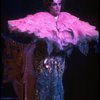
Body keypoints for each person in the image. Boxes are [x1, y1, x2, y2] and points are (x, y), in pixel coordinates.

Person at [2, 0, 99, 100]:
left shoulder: (67, 18)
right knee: (43, 86)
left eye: (59, 4)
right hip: (43, 59)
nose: (57, 7)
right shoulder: (41, 18)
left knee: (56, 85)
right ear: (49, 6)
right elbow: (26, 29)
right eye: (54, 4)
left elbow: (82, 33)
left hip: (59, 60)